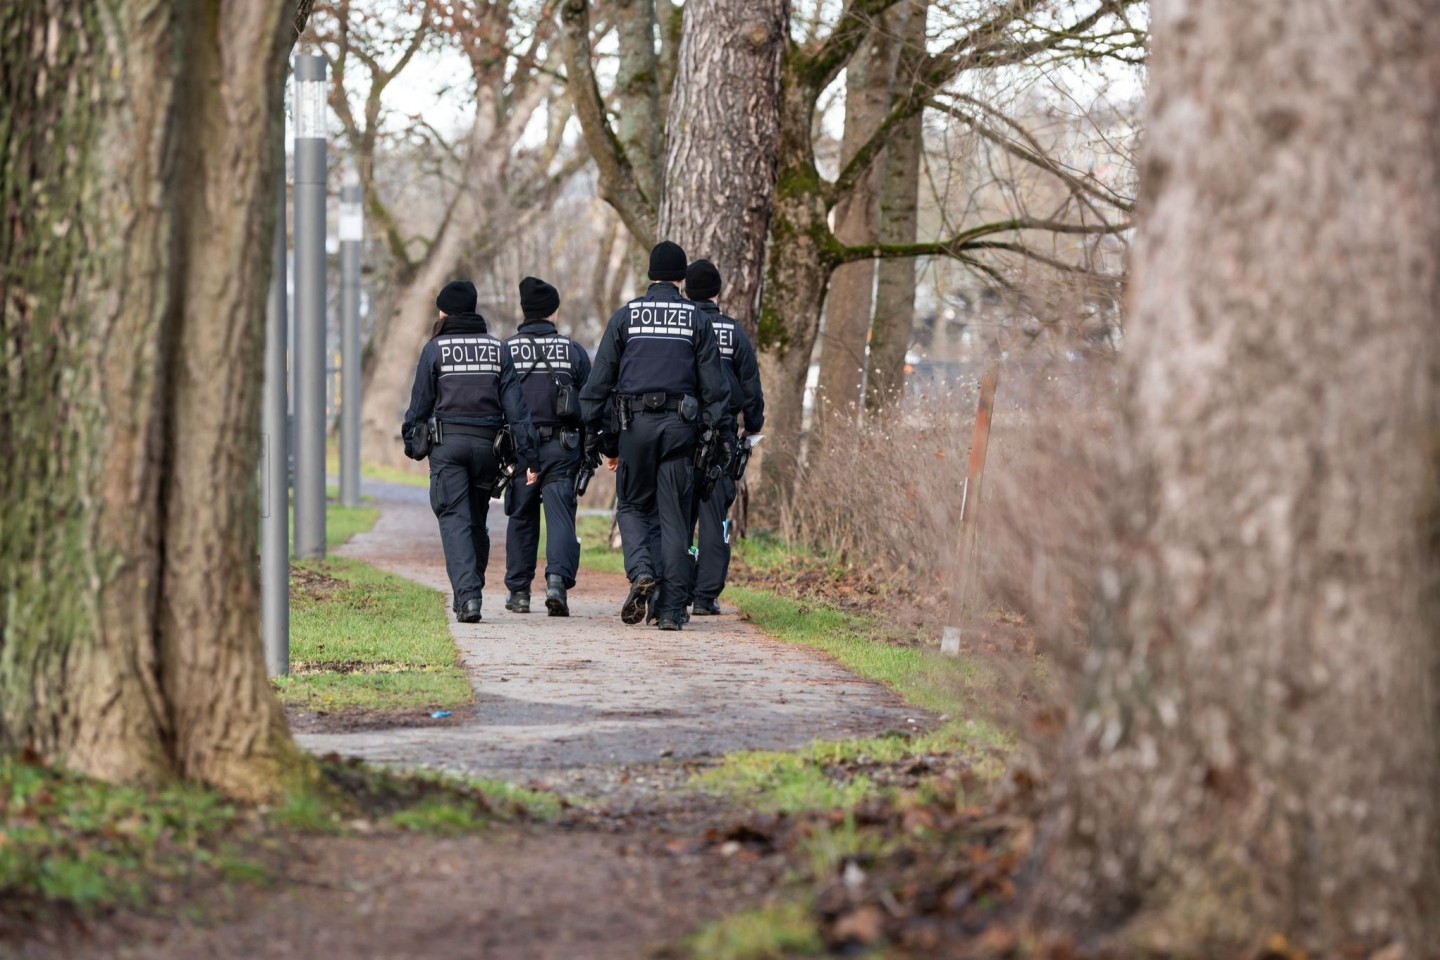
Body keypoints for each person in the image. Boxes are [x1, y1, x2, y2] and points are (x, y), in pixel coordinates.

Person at [579, 241, 730, 630]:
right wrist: (709, 433)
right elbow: (716, 389)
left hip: (635, 428)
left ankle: (642, 571)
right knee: (675, 519)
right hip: (681, 429)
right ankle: (671, 611)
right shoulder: (697, 319)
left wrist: (596, 433)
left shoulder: (625, 317)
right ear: (681, 277)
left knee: (631, 506)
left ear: (651, 275)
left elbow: (598, 384)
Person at [402, 280, 539, 623]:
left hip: (448, 447)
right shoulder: (498, 349)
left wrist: (411, 440)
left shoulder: (435, 349)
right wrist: (529, 455)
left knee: (454, 519)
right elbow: (518, 410)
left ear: (444, 312)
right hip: (489, 449)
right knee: (477, 520)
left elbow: (420, 403)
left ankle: (468, 596)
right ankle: (472, 588)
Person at [501, 276, 592, 616]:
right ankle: (556, 583)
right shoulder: (573, 351)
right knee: (560, 516)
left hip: (521, 450)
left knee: (521, 516)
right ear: (553, 311)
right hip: (563, 448)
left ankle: (519, 593)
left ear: (525, 312)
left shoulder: (506, 350)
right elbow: (592, 402)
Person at [683, 259, 765, 616]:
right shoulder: (734, 332)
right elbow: (751, 387)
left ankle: (676, 587)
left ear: (685, 290)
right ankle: (705, 596)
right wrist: (754, 426)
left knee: (676, 513)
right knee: (715, 515)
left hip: (681, 430)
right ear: (717, 292)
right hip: (722, 435)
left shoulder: (680, 326)